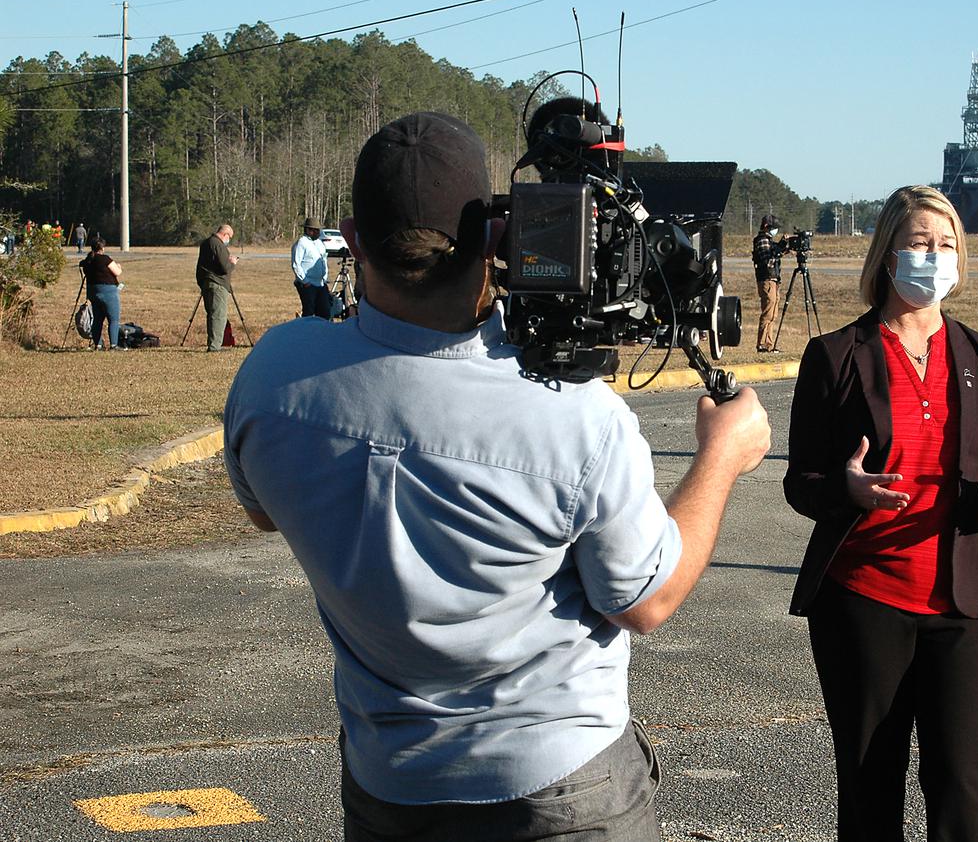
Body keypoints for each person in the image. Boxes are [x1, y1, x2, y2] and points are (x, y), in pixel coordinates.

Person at [222, 111, 771, 841]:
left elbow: (265, 511)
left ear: (351, 242)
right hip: (560, 788)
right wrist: (722, 455)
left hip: (389, 785)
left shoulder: (273, 377)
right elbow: (644, 599)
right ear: (498, 235)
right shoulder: (576, 418)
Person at [784, 184, 978, 841]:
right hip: (865, 599)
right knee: (872, 782)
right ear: (888, 253)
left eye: (947, 244)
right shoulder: (837, 355)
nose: (935, 255)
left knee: (963, 781)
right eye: (920, 242)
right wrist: (846, 488)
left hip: (962, 602)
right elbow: (800, 482)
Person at [195, 223, 238, 351]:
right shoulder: (217, 244)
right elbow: (225, 268)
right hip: (217, 284)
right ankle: (215, 346)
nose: (228, 240)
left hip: (207, 282)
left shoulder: (206, 243)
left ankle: (213, 343)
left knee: (212, 314)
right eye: (229, 237)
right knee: (219, 315)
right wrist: (232, 263)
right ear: (225, 234)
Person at [81, 239, 124, 350]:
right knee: (113, 319)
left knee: (97, 319)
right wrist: (119, 267)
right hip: (108, 292)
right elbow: (117, 272)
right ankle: (114, 345)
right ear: (102, 248)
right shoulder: (105, 259)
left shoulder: (88, 261)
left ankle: (98, 344)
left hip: (93, 293)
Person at [751, 214, 785, 353]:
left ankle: (768, 344)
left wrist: (781, 248)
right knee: (768, 313)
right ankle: (762, 344)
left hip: (773, 281)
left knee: (773, 314)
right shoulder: (762, 240)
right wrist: (779, 250)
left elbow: (773, 254)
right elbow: (767, 260)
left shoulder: (769, 241)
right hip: (767, 280)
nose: (775, 231)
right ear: (766, 227)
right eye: (773, 228)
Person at [291, 216, 330, 317]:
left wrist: (324, 279)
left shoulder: (319, 243)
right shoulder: (301, 243)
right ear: (308, 230)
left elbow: (324, 260)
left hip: (320, 284)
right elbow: (296, 264)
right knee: (309, 312)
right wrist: (305, 281)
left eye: (318, 230)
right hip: (308, 284)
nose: (318, 233)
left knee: (324, 312)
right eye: (316, 230)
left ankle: (321, 331)